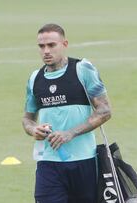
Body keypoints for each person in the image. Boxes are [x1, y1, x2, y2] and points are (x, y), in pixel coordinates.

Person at [22, 23, 112, 203]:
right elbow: (27, 119)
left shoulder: (82, 70)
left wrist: (70, 133)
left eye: (51, 45)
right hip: (48, 163)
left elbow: (104, 110)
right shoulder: (35, 79)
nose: (46, 51)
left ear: (64, 44)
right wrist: (34, 130)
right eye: (41, 46)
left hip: (84, 162)